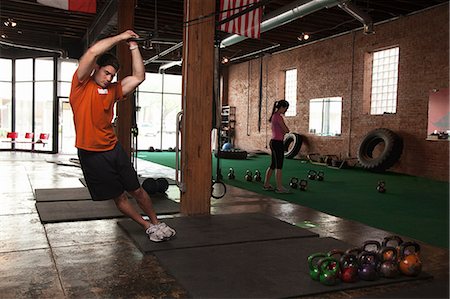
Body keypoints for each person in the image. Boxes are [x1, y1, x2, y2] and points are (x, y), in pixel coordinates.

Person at [70, 30, 175, 242]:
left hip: (113, 149)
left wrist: (133, 46)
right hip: (92, 154)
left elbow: (139, 76)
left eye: (112, 75)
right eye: (106, 73)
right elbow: (92, 51)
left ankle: (157, 222)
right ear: (96, 69)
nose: (109, 78)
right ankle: (147, 226)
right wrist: (121, 37)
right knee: (119, 196)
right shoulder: (80, 85)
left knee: (136, 189)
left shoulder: (114, 90)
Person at [263, 100, 291, 194]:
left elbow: (283, 130)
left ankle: (266, 184)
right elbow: (286, 130)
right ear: (282, 107)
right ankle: (279, 188)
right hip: (277, 143)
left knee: (273, 165)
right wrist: (285, 130)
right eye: (286, 108)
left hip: (274, 142)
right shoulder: (278, 117)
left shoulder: (274, 116)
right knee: (279, 166)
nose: (286, 110)